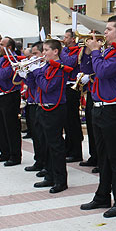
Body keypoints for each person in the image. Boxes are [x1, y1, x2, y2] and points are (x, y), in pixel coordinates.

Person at [80, 15, 116, 218]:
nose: (104, 33)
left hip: (114, 110)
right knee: (102, 156)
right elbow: (89, 70)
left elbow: (102, 72)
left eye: (108, 29)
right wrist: (89, 52)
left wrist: (95, 52)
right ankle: (102, 195)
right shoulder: (108, 52)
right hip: (100, 108)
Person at [23, 39, 73, 193]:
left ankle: (60, 180)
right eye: (43, 50)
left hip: (54, 109)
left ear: (55, 51)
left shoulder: (59, 69)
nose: (43, 53)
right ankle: (50, 176)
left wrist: (36, 71)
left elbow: (47, 87)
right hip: (42, 108)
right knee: (45, 143)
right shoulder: (46, 66)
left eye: (46, 50)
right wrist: (27, 73)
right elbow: (34, 86)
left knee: (55, 145)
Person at [0, 37, 23, 166]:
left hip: (10, 95)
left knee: (11, 127)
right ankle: (4, 152)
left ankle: (15, 156)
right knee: (1, 125)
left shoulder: (13, 60)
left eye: (2, 45)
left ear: (9, 47)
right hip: (0, 95)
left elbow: (4, 75)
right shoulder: (2, 59)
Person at [23, 42, 47, 173]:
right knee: (36, 135)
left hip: (42, 104)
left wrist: (36, 70)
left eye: (35, 54)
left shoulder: (45, 67)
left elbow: (44, 86)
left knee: (43, 137)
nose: (33, 57)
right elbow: (31, 85)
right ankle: (39, 160)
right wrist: (26, 74)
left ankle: (45, 163)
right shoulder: (37, 67)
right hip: (32, 102)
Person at [61, 29, 84, 163]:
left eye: (66, 37)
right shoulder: (67, 51)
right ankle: (68, 149)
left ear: (72, 39)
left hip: (73, 86)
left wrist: (61, 51)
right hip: (65, 86)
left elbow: (69, 63)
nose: (64, 39)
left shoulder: (77, 50)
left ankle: (76, 152)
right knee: (67, 121)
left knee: (72, 120)